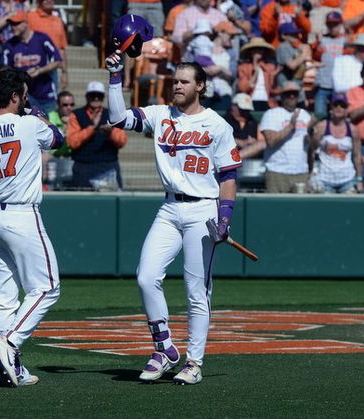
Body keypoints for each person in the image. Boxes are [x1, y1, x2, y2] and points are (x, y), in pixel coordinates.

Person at [106, 48, 241, 383]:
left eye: (184, 81)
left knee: (197, 290)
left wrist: (224, 219)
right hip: (170, 206)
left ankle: (193, 363)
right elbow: (118, 119)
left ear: (201, 87)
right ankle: (164, 347)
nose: (177, 86)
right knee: (145, 276)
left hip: (203, 208)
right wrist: (114, 77)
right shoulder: (160, 114)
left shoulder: (217, 125)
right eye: (175, 81)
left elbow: (228, 177)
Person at [0, 68, 64, 387]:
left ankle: (11, 367)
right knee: (48, 287)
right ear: (16, 96)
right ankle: (10, 342)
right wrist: (36, 112)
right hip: (21, 213)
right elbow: (59, 139)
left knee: (4, 295)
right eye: (23, 94)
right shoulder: (29, 124)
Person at [66, 81, 128, 190]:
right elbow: (71, 142)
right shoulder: (76, 115)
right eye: (92, 95)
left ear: (103, 97)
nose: (95, 99)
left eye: (98, 96)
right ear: (86, 97)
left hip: (108, 165)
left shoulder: (112, 115)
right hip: (83, 167)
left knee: (110, 203)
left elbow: (122, 141)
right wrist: (92, 129)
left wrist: (110, 133)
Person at [2, 10, 62, 114]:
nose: (12, 27)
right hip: (22, 97)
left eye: (16, 24)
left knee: (50, 126)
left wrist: (40, 70)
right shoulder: (9, 44)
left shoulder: (42, 38)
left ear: (25, 23)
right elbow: (4, 69)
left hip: (45, 94)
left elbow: (57, 61)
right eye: (11, 24)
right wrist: (22, 75)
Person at [260, 81, 314, 193]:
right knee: (275, 208)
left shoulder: (305, 115)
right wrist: (290, 126)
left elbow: (311, 147)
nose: (292, 96)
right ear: (282, 95)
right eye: (288, 93)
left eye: (295, 93)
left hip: (300, 172)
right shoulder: (271, 114)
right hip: (277, 172)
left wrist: (313, 134)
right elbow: (271, 141)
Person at [310, 93, 362, 193]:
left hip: (347, 179)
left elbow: (357, 156)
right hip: (325, 179)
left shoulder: (352, 129)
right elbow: (312, 151)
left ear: (346, 109)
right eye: (336, 105)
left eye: (342, 105)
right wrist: (312, 173)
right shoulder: (322, 127)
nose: (339, 108)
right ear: (331, 107)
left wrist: (359, 179)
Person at [27, 0, 69, 89]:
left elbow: (61, 49)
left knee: (51, 100)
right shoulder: (30, 17)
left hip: (52, 68)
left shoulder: (58, 21)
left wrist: (64, 73)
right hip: (33, 66)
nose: (49, 1)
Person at [312, 11, 347, 120]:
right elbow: (314, 57)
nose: (332, 27)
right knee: (319, 115)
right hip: (323, 83)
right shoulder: (322, 39)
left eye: (335, 24)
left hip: (339, 85)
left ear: (340, 24)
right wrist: (317, 43)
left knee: (338, 116)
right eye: (330, 24)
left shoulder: (345, 40)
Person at [236, 37, 278, 111]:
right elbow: (243, 88)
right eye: (256, 50)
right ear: (251, 52)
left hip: (266, 101)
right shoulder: (243, 67)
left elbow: (273, 88)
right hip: (250, 101)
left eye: (261, 49)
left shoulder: (270, 67)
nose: (259, 52)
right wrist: (255, 72)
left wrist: (274, 75)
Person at [44, 90, 74, 190]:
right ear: (58, 104)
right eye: (65, 105)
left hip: (70, 157)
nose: (69, 108)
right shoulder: (50, 117)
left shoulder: (76, 118)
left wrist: (69, 125)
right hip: (52, 157)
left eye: (71, 104)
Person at [226, 93, 264, 159]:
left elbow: (261, 141)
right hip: (229, 153)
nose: (245, 112)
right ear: (233, 106)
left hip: (250, 155)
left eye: (247, 110)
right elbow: (220, 139)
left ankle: (236, 159)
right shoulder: (224, 121)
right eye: (242, 110)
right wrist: (239, 142)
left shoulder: (252, 122)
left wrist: (253, 142)